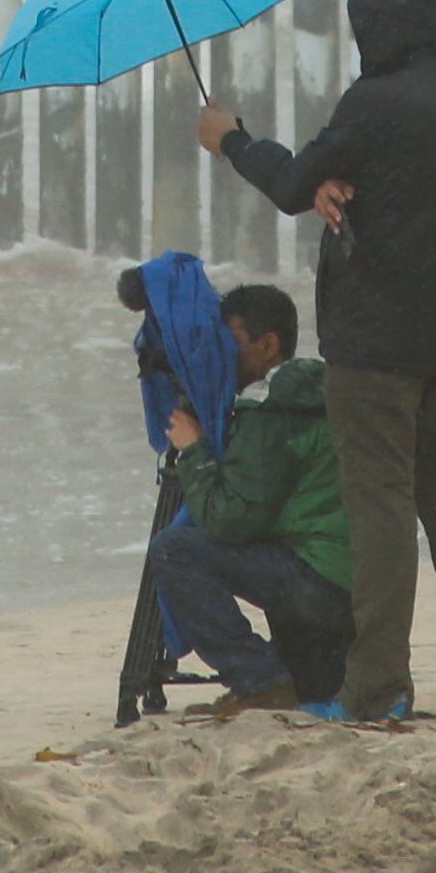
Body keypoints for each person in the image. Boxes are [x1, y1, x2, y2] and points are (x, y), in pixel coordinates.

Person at [194, 0, 436, 723]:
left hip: (373, 341)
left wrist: (232, 139)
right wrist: (334, 181)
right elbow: (388, 179)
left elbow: (289, 183)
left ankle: (378, 688)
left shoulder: (371, 102)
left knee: (378, 507)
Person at [144, 283, 353, 714]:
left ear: (269, 345)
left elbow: (228, 522)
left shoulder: (269, 410)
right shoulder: (317, 390)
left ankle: (260, 682)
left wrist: (195, 450)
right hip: (348, 581)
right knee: (314, 686)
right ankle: (282, 676)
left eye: (230, 344)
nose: (220, 356)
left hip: (317, 584)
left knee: (174, 550)